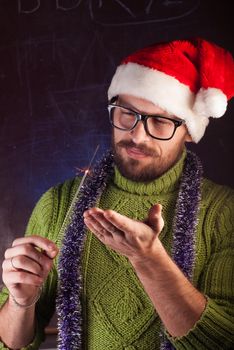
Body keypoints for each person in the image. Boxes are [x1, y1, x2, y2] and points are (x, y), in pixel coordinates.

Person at [0, 37, 233, 350]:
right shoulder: (59, 204)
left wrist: (149, 260)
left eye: (160, 121)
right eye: (127, 113)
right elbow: (11, 343)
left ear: (189, 130)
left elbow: (221, 341)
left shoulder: (224, 212)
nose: (136, 134)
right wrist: (19, 301)